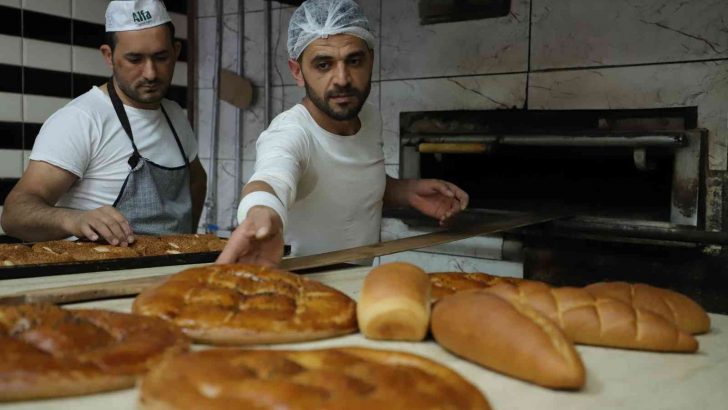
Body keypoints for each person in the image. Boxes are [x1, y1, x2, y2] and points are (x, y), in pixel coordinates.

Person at [217, 0, 468, 266]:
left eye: (354, 60)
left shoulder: (368, 117)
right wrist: (261, 211)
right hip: (301, 294)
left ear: (370, 59)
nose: (342, 79)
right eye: (323, 65)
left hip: (355, 286)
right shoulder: (290, 132)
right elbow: (271, 178)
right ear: (297, 71)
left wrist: (406, 191)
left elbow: (346, 182)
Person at [0, 0, 206, 246]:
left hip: (171, 276)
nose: (150, 73)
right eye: (135, 59)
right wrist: (73, 220)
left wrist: (187, 244)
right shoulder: (81, 120)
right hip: (103, 277)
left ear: (176, 51)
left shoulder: (174, 116)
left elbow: (196, 179)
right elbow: (14, 215)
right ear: (109, 56)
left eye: (161, 57)